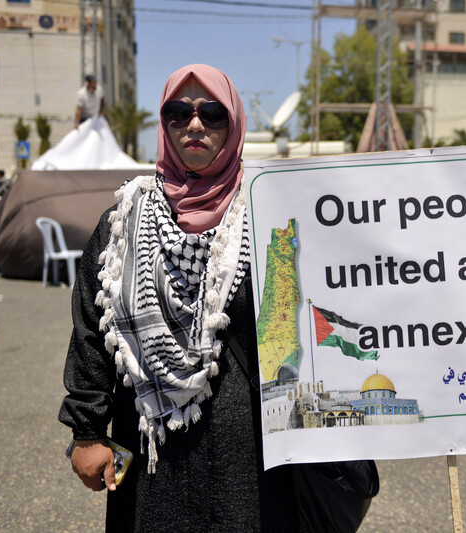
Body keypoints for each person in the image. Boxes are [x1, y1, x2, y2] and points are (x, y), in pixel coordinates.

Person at [58, 64, 297, 532]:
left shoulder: (271, 216)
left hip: (248, 454)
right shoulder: (124, 221)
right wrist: (87, 431)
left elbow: (295, 326)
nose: (194, 124)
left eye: (212, 113)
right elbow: (91, 324)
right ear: (164, 124)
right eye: (178, 112)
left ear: (234, 126)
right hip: (153, 452)